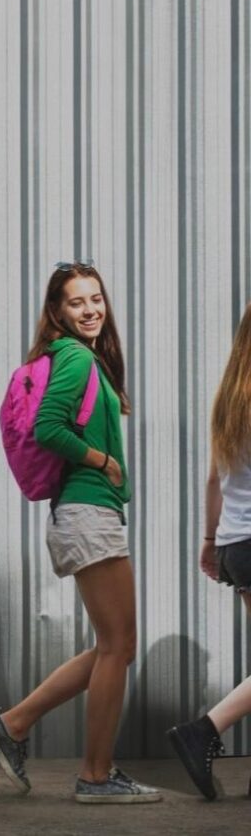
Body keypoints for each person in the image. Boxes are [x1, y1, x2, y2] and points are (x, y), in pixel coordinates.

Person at [0, 261, 160, 803]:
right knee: (119, 646)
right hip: (88, 511)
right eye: (77, 302)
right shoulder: (76, 358)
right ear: (56, 311)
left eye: (96, 299)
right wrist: (104, 460)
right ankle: (95, 776)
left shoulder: (77, 358)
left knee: (113, 646)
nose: (90, 310)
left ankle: (13, 725)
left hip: (86, 513)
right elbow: (48, 427)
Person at [168, 303, 251, 800]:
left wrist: (209, 539)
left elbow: (215, 476)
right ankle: (203, 730)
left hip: (238, 543)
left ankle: (204, 731)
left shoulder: (230, 397)